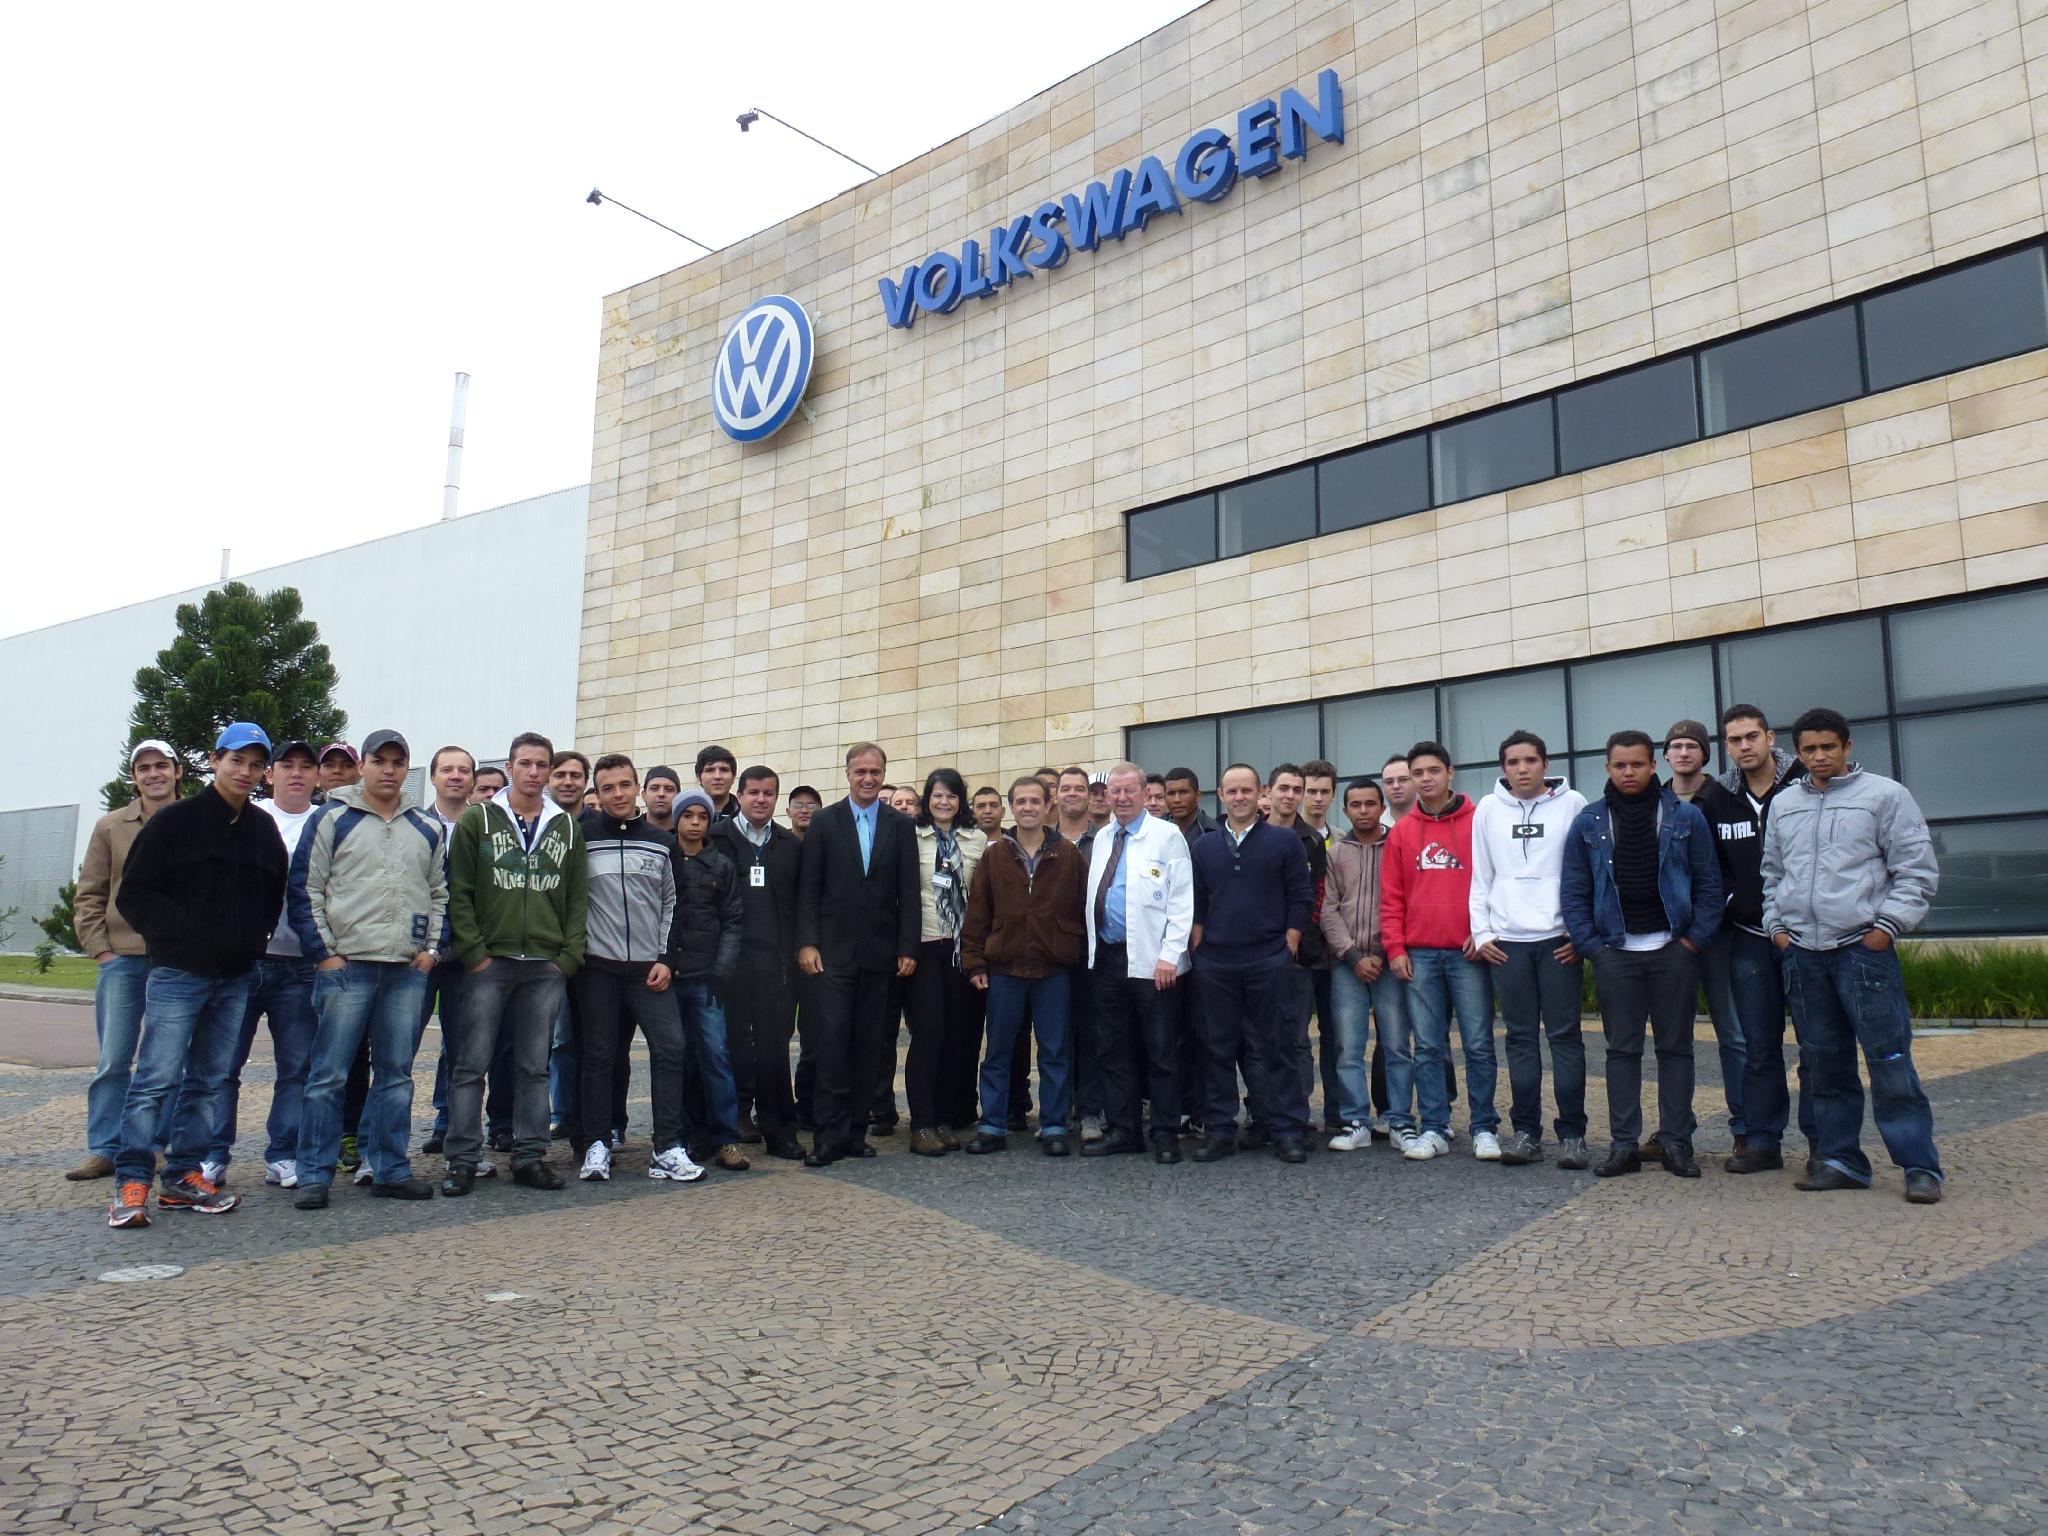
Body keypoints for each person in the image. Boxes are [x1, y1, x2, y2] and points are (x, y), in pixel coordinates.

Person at [105, 723, 287, 1228]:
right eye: (237, 760)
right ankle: (131, 1179)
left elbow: (273, 893)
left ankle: (183, 1175)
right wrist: (183, 939)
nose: (245, 771)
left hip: (235, 977)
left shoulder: (261, 829)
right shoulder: (175, 822)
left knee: (208, 1081)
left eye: (255, 764)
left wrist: (253, 942)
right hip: (179, 974)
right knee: (155, 1079)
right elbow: (134, 894)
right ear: (215, 760)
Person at [1764, 709, 1943, 1203]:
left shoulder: (1885, 796)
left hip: (1862, 951)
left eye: (1828, 747)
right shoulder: (1784, 804)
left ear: (1847, 747)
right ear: (1797, 753)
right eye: (1809, 749)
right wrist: (1778, 929)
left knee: (1890, 1061)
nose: (1818, 756)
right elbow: (1772, 873)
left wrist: (1885, 929)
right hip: (1803, 952)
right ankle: (1841, 1161)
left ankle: (1919, 1167)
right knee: (1824, 1064)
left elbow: (1916, 870)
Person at [286, 731, 447, 1208]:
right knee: (328, 1076)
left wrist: (432, 950)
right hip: (347, 967)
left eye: (398, 761)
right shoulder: (332, 818)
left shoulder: (426, 826)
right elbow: (306, 888)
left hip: (405, 971)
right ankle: (314, 1173)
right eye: (380, 760)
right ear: (364, 767)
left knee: (396, 1076)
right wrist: (324, 953)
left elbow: (440, 892)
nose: (389, 770)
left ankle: (390, 1168)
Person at [1560, 730, 1722, 1180]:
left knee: (1677, 1049)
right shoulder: (1589, 821)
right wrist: (1593, 948)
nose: (1628, 772)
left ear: (1654, 766)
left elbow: (1709, 884)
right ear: (1608, 768)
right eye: (1620, 765)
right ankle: (1624, 1145)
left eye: (1637, 764)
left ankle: (1676, 1142)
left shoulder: (1686, 817)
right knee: (1621, 1051)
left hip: (1674, 950)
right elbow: (1574, 890)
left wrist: (1693, 942)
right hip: (1615, 953)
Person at [441, 731, 588, 1196]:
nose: (533, 772)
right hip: (491, 960)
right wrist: (474, 951)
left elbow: (577, 897)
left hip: (545, 964)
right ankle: (463, 1159)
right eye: (525, 763)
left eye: (542, 765)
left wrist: (568, 957)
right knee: (471, 1064)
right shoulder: (479, 819)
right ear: (509, 767)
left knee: (534, 1066)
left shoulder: (565, 826)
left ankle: (529, 1156)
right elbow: (459, 890)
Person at [573, 755, 702, 1185]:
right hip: (598, 968)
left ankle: (667, 1147)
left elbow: (674, 904)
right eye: (607, 788)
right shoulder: (582, 838)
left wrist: (666, 959)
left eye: (624, 785)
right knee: (600, 1055)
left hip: (650, 969)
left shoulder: (662, 841)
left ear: (638, 789)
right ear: (598, 792)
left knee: (671, 1048)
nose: (617, 794)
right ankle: (596, 1143)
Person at [1467, 731, 1589, 1168]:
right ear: (1503, 767)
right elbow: (1481, 876)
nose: (1522, 769)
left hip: (1558, 942)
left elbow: (1586, 871)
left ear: (1545, 764)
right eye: (1513, 762)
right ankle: (1526, 1133)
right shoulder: (1488, 809)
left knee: (1565, 1038)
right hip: (1508, 944)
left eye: (1531, 760)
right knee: (1520, 1039)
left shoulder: (1573, 804)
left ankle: (1573, 1134)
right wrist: (1482, 934)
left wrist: (1580, 933)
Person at [794, 743, 919, 1166]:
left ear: (884, 774)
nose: (868, 779)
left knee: (870, 1046)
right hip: (832, 954)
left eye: (875, 772)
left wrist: (907, 947)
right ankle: (828, 1136)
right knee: (831, 1044)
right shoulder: (825, 821)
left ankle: (855, 1133)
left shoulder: (900, 825)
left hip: (881, 954)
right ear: (847, 773)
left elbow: (908, 891)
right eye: (860, 771)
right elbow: (809, 888)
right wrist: (807, 943)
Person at [1705, 705, 1817, 1176]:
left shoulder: (1805, 785)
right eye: (1734, 740)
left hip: (1807, 938)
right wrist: (1732, 903)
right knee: (1758, 1046)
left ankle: (1823, 1144)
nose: (1744, 746)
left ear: (1770, 738)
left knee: (1816, 1045)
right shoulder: (1717, 798)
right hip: (1750, 937)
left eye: (1752, 736)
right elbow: (1710, 867)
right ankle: (1762, 1142)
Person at [210, 739, 321, 1189]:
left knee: (296, 1068)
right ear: (270, 774)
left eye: (306, 766)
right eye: (286, 765)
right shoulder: (248, 817)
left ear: (317, 776)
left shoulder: (327, 822)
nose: (297, 773)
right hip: (245, 960)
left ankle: (284, 1153)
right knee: (222, 1065)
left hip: (301, 964)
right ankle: (212, 1153)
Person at [1379, 742, 1498, 1163]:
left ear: (1450, 772)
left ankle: (1484, 1128)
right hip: (1420, 954)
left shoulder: (1479, 821)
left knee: (1478, 1044)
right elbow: (1391, 896)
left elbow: (1496, 880)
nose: (1425, 778)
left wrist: (1483, 932)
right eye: (1418, 773)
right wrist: (1395, 947)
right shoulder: (1402, 832)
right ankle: (1434, 1126)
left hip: (1469, 954)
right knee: (1428, 1046)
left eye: (1433, 770)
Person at [1188, 763, 1313, 1164]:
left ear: (1260, 793)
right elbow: (1198, 902)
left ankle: (1287, 1130)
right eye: (1232, 791)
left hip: (1268, 958)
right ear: (1221, 795)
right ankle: (1220, 1130)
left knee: (1278, 1046)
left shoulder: (1283, 841)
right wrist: (1200, 949)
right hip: (1216, 962)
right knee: (1217, 1049)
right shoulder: (1204, 846)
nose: (1239, 797)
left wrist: (1289, 944)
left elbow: (1300, 896)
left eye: (1246, 790)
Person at [68, 739, 180, 1181]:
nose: (154, 774)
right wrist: (101, 949)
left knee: (169, 1059)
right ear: (134, 777)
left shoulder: (195, 821)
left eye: (161, 766)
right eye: (144, 768)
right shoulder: (110, 826)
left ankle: (155, 1144)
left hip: (177, 959)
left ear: (177, 771)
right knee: (114, 1059)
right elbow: (90, 892)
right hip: (123, 958)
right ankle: (105, 1147)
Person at [960, 776, 1088, 1155]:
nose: (1028, 807)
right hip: (1005, 969)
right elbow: (978, 913)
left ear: (1048, 806)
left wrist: (1078, 958)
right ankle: (992, 1125)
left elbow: (1084, 911)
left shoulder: (1069, 855)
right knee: (998, 1052)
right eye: (1021, 801)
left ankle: (1054, 1125)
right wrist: (974, 962)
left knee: (1054, 1052)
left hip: (1054, 969)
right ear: (1012, 807)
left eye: (1035, 801)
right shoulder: (994, 856)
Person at [1084, 762, 1194, 1163]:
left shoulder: (1167, 836)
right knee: (1113, 1049)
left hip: (1154, 961)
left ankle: (1165, 1133)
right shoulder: (1103, 837)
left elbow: (1182, 900)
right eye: (1115, 791)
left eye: (1129, 790)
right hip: (1108, 958)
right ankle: (1124, 1129)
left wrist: (1170, 955)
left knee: (1161, 1050)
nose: (1121, 798)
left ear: (1145, 793)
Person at [711, 766, 806, 1160]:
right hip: (728, 963)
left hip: (773, 963)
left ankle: (779, 1131)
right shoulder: (716, 838)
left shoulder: (789, 845)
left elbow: (802, 904)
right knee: (729, 1046)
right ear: (740, 795)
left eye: (768, 793)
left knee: (773, 1049)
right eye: (753, 792)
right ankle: (727, 1125)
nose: (760, 800)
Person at [1663, 720, 1748, 1153]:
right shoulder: (1655, 802)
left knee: (1732, 1034)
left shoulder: (1724, 799)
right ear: (1665, 755)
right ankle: (1674, 1131)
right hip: (1667, 940)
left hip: (1718, 934)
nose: (1683, 753)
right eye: (1676, 746)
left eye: (1691, 746)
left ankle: (1746, 1130)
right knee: (1671, 1039)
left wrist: (1714, 918)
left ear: (1705, 754)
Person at [422, 745, 510, 1160]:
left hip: (470, 954)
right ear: (434, 777)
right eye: (447, 769)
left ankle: (459, 1133)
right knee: (397, 1055)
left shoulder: (490, 829)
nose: (455, 776)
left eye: (463, 770)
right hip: (420, 955)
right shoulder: (416, 823)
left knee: (465, 1051)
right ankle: (383, 1147)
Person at [1320, 778, 1409, 1151]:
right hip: (1348, 963)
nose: (1363, 811)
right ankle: (1355, 1120)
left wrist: (1387, 952)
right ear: (1345, 810)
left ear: (1381, 807)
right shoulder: (1337, 853)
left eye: (1370, 803)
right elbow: (1328, 910)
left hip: (1391, 961)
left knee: (1397, 1045)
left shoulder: (1399, 846)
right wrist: (1353, 956)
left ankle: (1400, 1120)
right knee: (1348, 1047)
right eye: (1355, 805)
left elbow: (1408, 901)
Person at [902, 769, 988, 1155]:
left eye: (951, 796)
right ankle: (921, 1123)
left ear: (960, 801)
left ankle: (943, 1117)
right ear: (927, 799)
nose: (944, 802)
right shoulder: (910, 836)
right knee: (928, 1033)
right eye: (937, 795)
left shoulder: (976, 839)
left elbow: (981, 897)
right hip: (923, 944)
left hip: (960, 947)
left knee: (957, 1035)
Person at [665, 790, 748, 1171]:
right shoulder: (664, 859)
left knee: (716, 1055)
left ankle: (726, 1138)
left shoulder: (721, 865)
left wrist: (722, 969)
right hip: (668, 976)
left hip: (707, 978)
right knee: (676, 1059)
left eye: (702, 816)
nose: (695, 822)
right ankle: (683, 1135)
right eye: (688, 816)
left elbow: (732, 921)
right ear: (677, 819)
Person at [1265, 764, 1330, 1137]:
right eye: (1283, 788)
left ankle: (1296, 1114)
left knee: (1296, 1038)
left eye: (1296, 789)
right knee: (1258, 1037)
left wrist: (1298, 938)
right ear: (1269, 791)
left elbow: (1317, 898)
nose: (1290, 795)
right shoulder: (1251, 834)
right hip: (1255, 952)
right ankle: (1261, 1112)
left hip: (1298, 956)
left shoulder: (1313, 842)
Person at [1162, 767, 1217, 848]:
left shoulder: (1214, 831)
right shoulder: (1155, 830)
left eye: (1183, 792)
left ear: (1197, 796)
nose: (1177, 799)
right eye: (1171, 793)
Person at [696, 745, 740, 821]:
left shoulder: (747, 815)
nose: (717, 776)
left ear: (733, 777)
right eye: (710, 770)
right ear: (699, 778)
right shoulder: (686, 817)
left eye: (724, 770)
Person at [643, 765, 681, 834]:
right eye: (654, 788)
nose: (661, 794)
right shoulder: (629, 831)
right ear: (644, 795)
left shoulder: (688, 834)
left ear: (678, 796)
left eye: (669, 789)